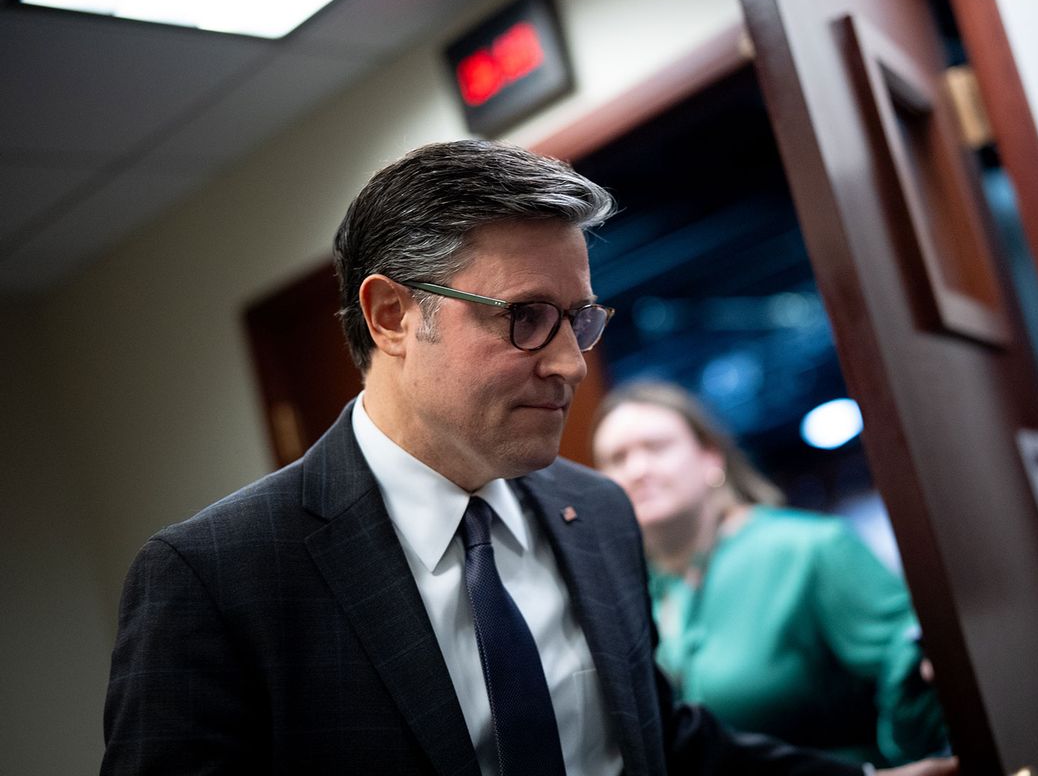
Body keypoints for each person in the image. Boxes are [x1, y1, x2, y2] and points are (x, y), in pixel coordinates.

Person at [101, 140, 956, 776]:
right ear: (394, 315)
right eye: (524, 318)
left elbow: (664, 740)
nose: (569, 361)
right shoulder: (218, 576)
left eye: (578, 319)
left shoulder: (599, 513)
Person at [591, 381, 950, 769]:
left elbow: (918, 679)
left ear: (711, 458)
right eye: (616, 459)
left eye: (656, 447)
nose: (637, 469)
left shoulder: (809, 549)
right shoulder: (626, 593)